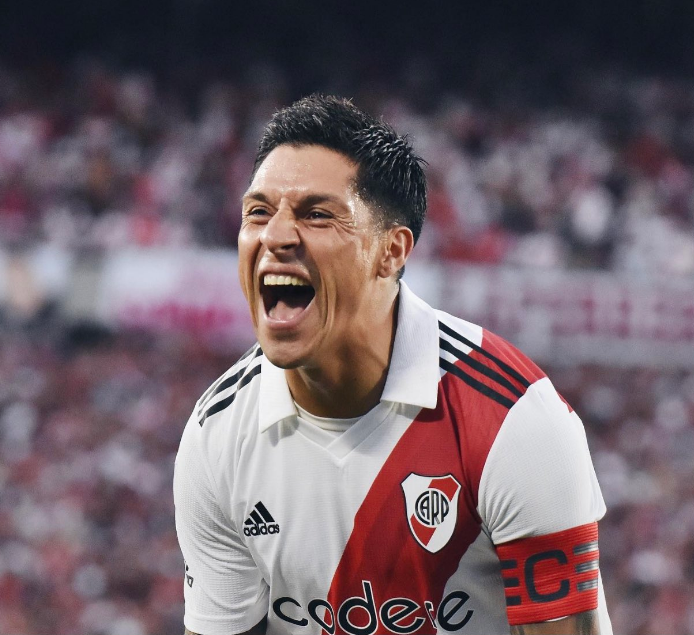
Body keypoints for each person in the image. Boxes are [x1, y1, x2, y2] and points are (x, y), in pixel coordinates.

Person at [174, 95, 612, 635]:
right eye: (258, 212)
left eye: (316, 214)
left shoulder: (514, 418)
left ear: (392, 251)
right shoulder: (217, 432)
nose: (276, 236)